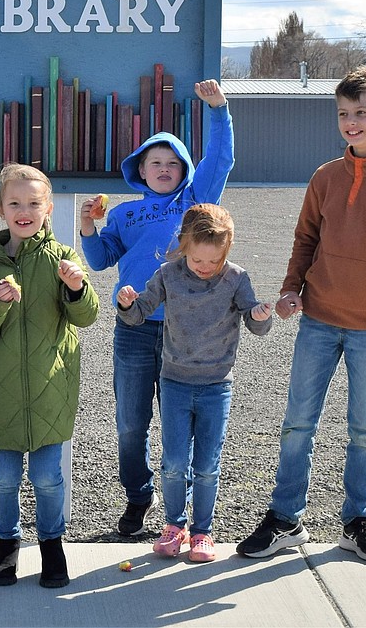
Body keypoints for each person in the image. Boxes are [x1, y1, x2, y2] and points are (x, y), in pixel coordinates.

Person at [236, 65, 366, 563]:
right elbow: (306, 240)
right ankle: (284, 520)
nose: (351, 122)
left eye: (361, 113)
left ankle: (357, 521)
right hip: (317, 320)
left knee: (365, 427)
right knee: (298, 422)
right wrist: (291, 289)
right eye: (343, 113)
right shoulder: (325, 177)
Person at [79, 79, 234, 538]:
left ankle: (178, 512)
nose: (163, 168)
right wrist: (89, 227)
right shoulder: (124, 213)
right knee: (130, 423)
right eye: (155, 162)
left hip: (183, 333)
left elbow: (221, 159)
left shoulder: (195, 204)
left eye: (172, 162)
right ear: (140, 170)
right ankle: (137, 496)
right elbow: (100, 258)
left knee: (177, 423)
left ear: (184, 170)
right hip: (133, 327)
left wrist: (219, 111)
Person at [115, 203, 273, 562]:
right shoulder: (168, 275)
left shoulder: (235, 277)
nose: (205, 269)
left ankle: (203, 531)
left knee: (206, 465)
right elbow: (137, 316)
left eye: (213, 262)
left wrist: (261, 314)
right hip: (174, 382)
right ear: (183, 246)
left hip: (216, 386)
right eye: (197, 261)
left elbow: (255, 323)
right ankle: (174, 525)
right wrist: (127, 304)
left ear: (226, 252)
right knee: (173, 461)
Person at [0, 164, 100, 589]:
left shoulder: (64, 258)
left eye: (33, 203)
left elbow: (88, 316)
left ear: (48, 208)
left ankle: (52, 545)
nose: (24, 211)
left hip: (50, 387)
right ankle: (6, 545)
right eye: (14, 203)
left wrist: (76, 288)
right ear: (2, 210)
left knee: (48, 477)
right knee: (3, 478)